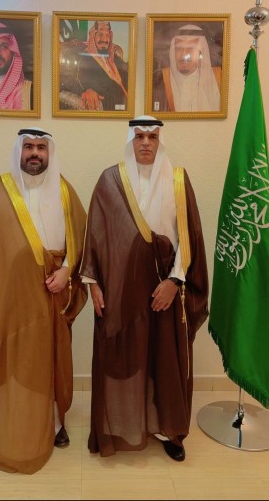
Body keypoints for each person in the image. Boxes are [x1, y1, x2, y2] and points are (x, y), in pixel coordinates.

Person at [0, 127, 89, 473]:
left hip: (48, 297)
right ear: (19, 150)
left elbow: (81, 239)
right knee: (6, 356)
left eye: (41, 148)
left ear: (49, 153)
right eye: (28, 146)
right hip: (5, 297)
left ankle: (54, 424)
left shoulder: (65, 191)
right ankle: (2, 420)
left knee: (47, 358)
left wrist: (66, 271)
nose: (34, 153)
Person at [80, 116, 210, 462]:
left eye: (152, 137)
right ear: (131, 140)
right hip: (122, 287)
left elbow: (189, 237)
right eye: (139, 137)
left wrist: (174, 281)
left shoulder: (178, 180)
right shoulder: (110, 180)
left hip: (165, 290)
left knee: (166, 360)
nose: (146, 143)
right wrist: (93, 285)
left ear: (160, 141)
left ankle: (169, 429)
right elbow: (96, 236)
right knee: (124, 357)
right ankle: (122, 424)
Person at [58, 21, 129, 111]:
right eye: (100, 34)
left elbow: (126, 73)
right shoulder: (82, 57)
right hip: (108, 109)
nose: (104, 39)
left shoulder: (113, 56)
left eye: (107, 35)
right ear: (93, 36)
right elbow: (66, 79)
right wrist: (85, 91)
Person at [151, 24, 222, 112]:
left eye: (191, 48)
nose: (184, 54)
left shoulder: (216, 79)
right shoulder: (161, 80)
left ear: (200, 52)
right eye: (179, 48)